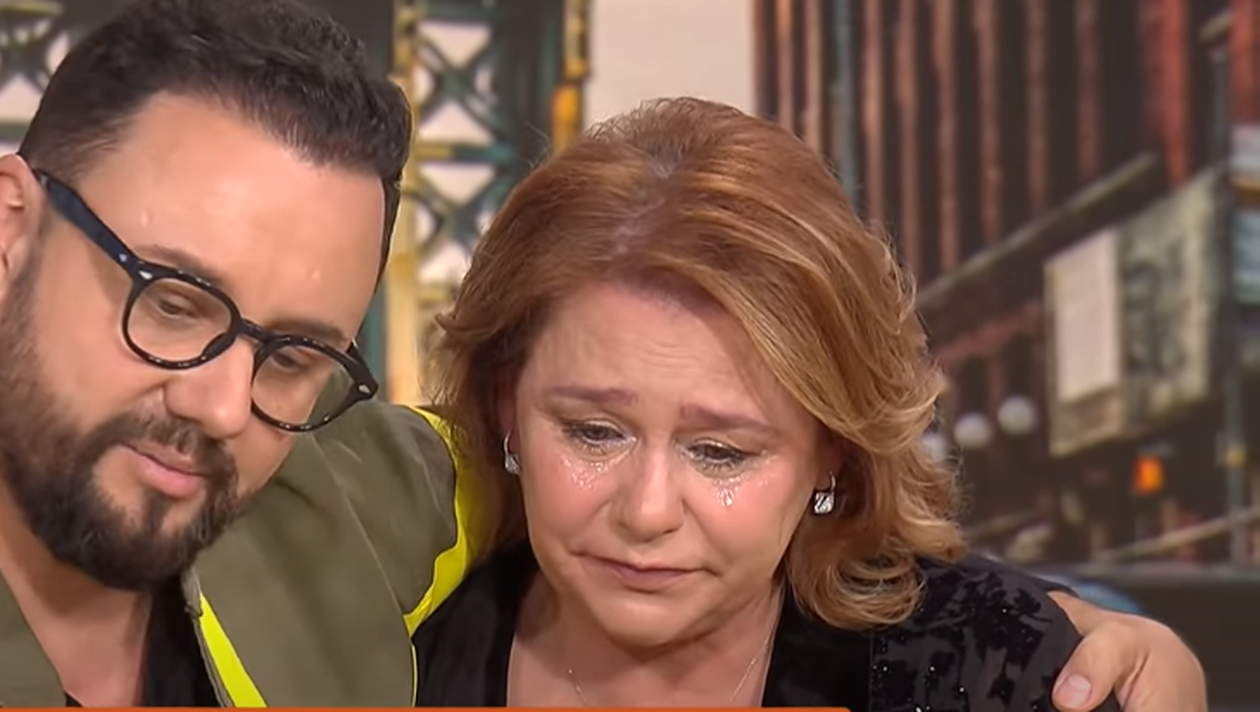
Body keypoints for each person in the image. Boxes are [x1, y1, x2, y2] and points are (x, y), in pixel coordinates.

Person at [0, 0, 1207, 708]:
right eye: (169, 302)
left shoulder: (342, 498)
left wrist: (1089, 638)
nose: (221, 404)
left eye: (293, 354)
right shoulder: (423, 587)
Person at [408, 98, 1200, 711]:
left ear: (832, 452)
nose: (647, 512)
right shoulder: (389, 658)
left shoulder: (991, 667)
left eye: (721, 452)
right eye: (593, 432)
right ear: (506, 406)